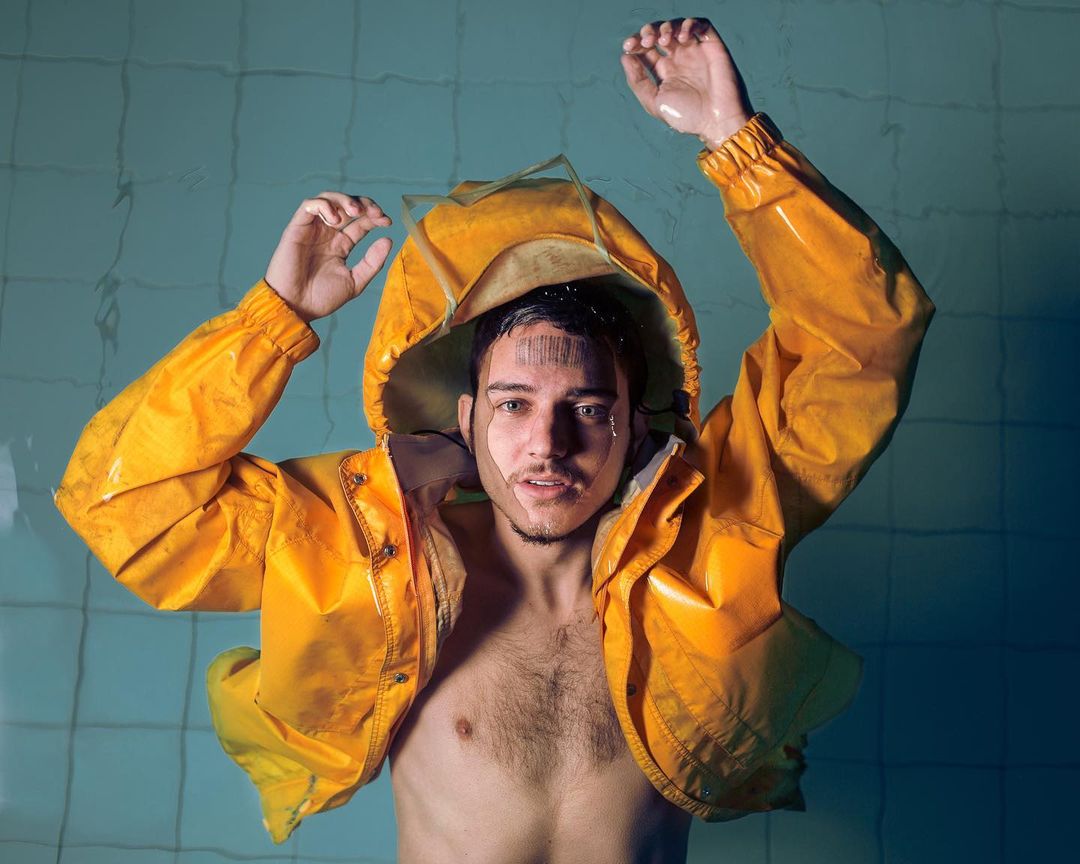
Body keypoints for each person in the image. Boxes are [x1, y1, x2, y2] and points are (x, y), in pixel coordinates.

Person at [55, 17, 933, 864]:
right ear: (467, 418)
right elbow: (125, 505)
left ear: (636, 423)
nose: (547, 443)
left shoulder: (710, 538)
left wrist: (738, 144)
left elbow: (862, 341)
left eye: (586, 407)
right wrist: (274, 319)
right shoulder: (371, 561)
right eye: (514, 405)